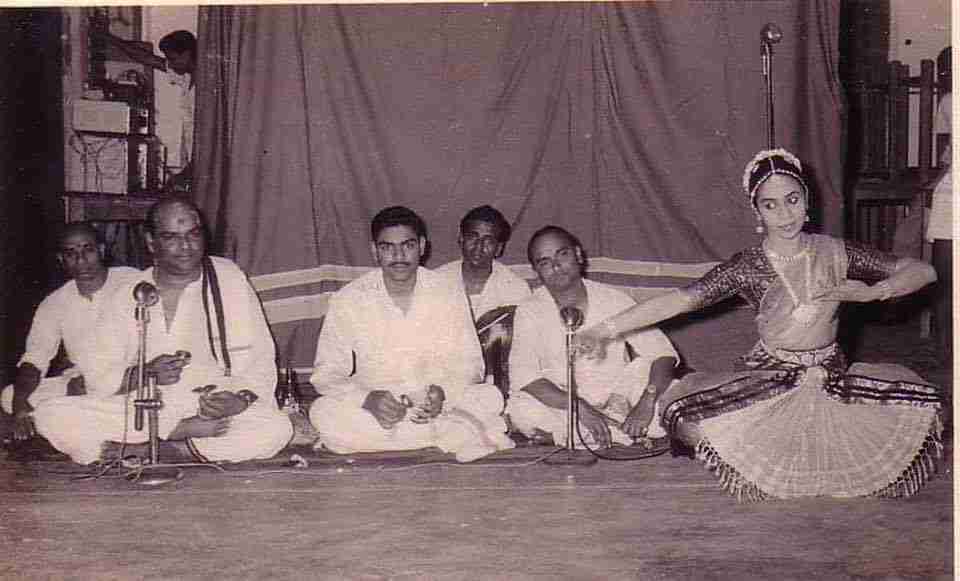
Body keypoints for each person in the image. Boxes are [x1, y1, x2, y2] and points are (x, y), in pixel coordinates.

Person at [574, 149, 943, 500]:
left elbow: (923, 271)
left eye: (792, 200)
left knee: (928, 412)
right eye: (771, 205)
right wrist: (603, 330)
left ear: (807, 200)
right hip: (769, 376)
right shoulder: (747, 266)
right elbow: (679, 301)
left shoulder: (837, 252)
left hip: (830, 374)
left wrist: (874, 292)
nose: (785, 214)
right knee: (684, 418)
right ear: (757, 212)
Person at [30, 198, 293, 465]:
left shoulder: (229, 278)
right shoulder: (130, 292)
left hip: (211, 404)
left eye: (193, 234)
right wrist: (146, 373)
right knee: (50, 413)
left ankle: (155, 450)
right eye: (171, 237)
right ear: (151, 242)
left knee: (275, 428)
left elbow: (261, 357)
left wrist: (240, 399)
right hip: (149, 406)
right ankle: (176, 435)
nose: (186, 246)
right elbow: (98, 373)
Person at [308, 206, 514, 462]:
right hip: (379, 409)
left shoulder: (448, 292)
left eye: (407, 246)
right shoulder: (348, 299)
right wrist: (367, 399)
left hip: (436, 405)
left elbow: (471, 364)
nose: (398, 256)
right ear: (374, 251)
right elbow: (326, 374)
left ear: (422, 246)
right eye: (387, 247)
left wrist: (443, 393)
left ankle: (393, 440)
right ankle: (456, 434)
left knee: (490, 395)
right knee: (322, 411)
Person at [507, 226, 679, 449]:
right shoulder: (530, 310)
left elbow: (663, 354)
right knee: (520, 408)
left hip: (620, 399)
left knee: (668, 394)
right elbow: (524, 376)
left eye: (562, 254)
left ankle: (575, 437)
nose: (556, 266)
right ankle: (618, 434)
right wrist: (578, 407)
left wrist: (645, 403)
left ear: (578, 255)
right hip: (566, 404)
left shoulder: (614, 300)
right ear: (536, 271)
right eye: (544, 262)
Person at [2, 223, 140, 442]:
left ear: (101, 250)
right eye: (71, 253)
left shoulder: (132, 281)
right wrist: (19, 405)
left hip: (132, 380)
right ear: (61, 259)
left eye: (88, 249)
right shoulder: (55, 302)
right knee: (10, 395)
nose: (81, 260)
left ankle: (73, 415)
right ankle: (80, 414)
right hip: (82, 385)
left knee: (58, 408)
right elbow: (35, 359)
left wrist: (101, 382)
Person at [434, 205, 531, 320]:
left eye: (488, 241)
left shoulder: (516, 289)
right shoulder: (436, 281)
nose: (478, 246)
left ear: (499, 248)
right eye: (472, 237)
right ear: (461, 239)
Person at [926, 46, 952, 366]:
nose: (947, 76)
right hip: (951, 191)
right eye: (944, 71)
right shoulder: (947, 102)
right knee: (944, 273)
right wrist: (933, 182)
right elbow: (944, 154)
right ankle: (945, 347)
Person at [158, 30, 196, 193]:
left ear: (186, 54)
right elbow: (149, 59)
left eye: (172, 59)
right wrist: (112, 40)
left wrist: (185, 173)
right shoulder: (186, 77)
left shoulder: (205, 85)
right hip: (191, 162)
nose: (170, 64)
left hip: (199, 163)